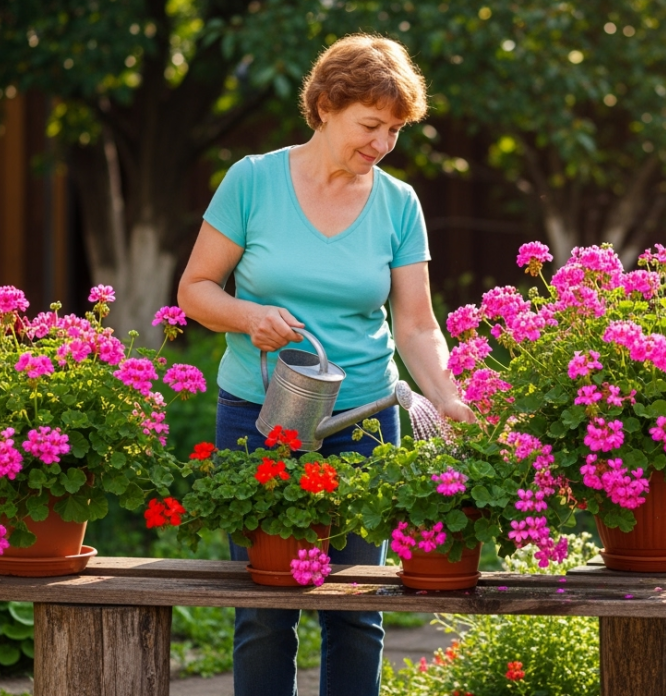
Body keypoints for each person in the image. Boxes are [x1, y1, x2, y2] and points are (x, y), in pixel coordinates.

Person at [178, 34, 476, 696]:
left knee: (356, 607)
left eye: (395, 130)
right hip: (261, 416)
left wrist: (446, 395)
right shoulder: (252, 181)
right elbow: (195, 289)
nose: (383, 143)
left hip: (364, 422)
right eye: (371, 125)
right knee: (265, 607)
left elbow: (418, 323)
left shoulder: (398, 204)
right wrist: (249, 317)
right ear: (324, 107)